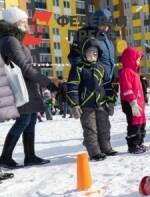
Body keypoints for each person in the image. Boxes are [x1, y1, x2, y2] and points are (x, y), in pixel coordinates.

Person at [0, 7, 56, 169]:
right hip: (20, 86)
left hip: (27, 86)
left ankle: (30, 155)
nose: (26, 24)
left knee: (30, 119)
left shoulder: (14, 39)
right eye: (22, 21)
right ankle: (5, 157)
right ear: (14, 23)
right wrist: (47, 82)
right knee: (24, 119)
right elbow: (24, 67)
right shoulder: (10, 40)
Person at [68, 9, 117, 145]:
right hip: (90, 83)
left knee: (103, 119)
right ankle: (92, 144)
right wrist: (87, 72)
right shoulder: (83, 34)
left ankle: (102, 144)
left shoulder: (107, 37)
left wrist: (112, 76)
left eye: (108, 25)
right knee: (90, 119)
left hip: (104, 82)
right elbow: (74, 57)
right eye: (102, 24)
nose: (106, 27)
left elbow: (109, 60)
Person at [67, 38, 117, 161]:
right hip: (86, 105)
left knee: (104, 127)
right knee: (90, 129)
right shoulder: (78, 68)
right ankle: (94, 152)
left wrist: (110, 101)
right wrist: (74, 104)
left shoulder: (101, 68)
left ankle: (106, 148)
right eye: (90, 52)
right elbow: (72, 86)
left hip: (101, 104)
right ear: (84, 53)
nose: (93, 55)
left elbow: (107, 85)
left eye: (95, 53)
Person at [119, 48, 150, 154]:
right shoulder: (126, 72)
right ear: (130, 59)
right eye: (137, 59)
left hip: (139, 104)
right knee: (134, 124)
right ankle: (133, 145)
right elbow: (126, 88)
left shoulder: (135, 73)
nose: (138, 62)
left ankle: (139, 143)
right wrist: (132, 102)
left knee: (141, 123)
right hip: (130, 103)